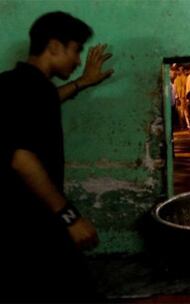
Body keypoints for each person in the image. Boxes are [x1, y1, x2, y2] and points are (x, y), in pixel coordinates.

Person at [0, 11, 113, 302]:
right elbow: (21, 158)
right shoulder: (31, 88)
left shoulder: (16, 85)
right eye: (76, 50)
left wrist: (83, 82)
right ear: (54, 46)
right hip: (31, 221)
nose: (78, 61)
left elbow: (45, 102)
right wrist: (70, 217)